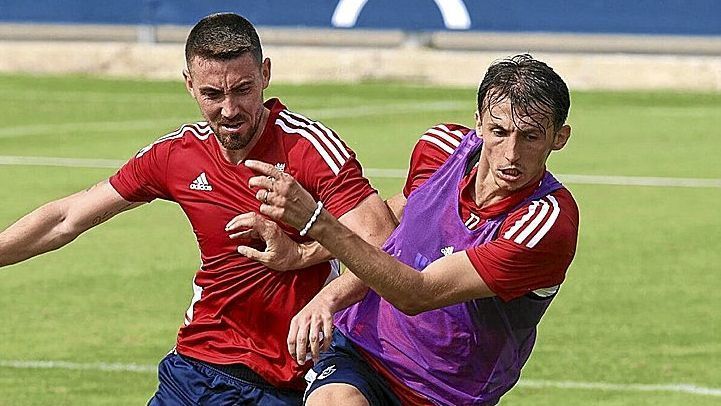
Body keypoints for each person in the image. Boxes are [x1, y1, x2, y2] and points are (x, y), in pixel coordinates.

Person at [0, 12, 395, 405]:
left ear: (265, 75)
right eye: (212, 94)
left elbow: (384, 240)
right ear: (189, 85)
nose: (229, 109)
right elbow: (67, 218)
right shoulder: (176, 154)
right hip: (196, 366)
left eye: (242, 89)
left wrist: (325, 295)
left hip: (289, 377)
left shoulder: (309, 148)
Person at [238, 54, 579, 405]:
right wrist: (317, 275)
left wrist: (316, 221)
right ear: (478, 123)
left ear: (559, 137)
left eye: (530, 137)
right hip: (362, 352)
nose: (511, 153)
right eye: (499, 131)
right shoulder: (439, 150)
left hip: (447, 393)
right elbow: (392, 236)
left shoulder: (545, 223)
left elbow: (417, 294)